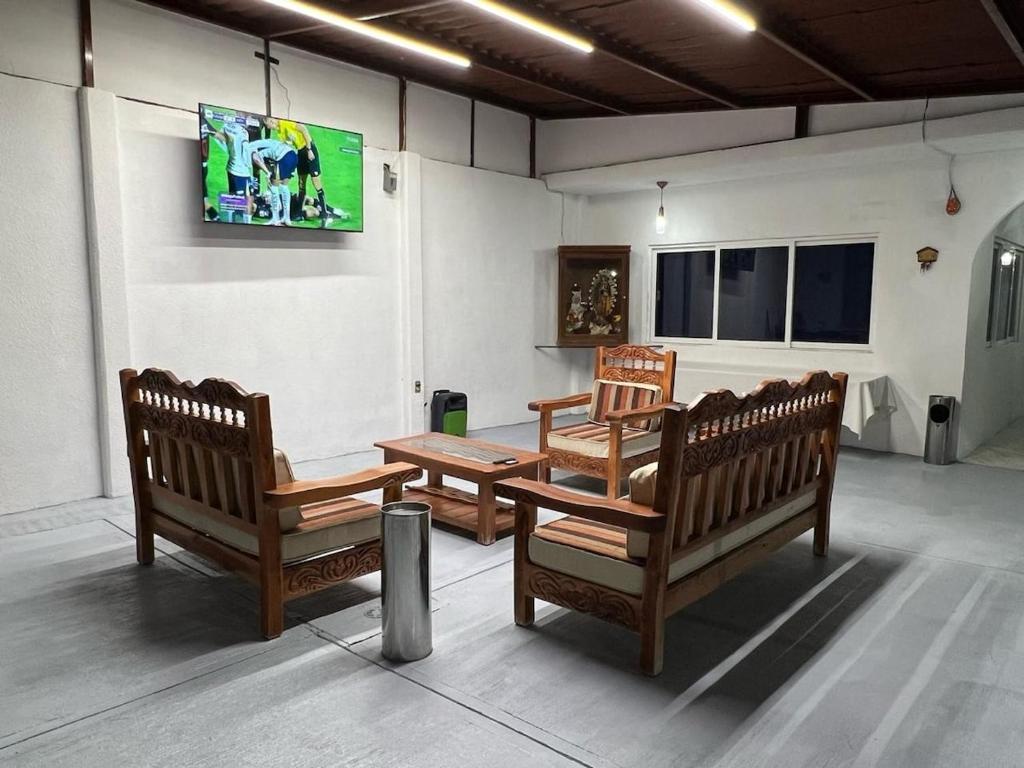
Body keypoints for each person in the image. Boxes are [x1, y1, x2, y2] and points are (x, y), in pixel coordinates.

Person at [265, 116, 331, 228]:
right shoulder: (280, 131)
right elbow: (287, 145)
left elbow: (304, 129)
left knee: (316, 183)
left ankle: (325, 214)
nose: (269, 128)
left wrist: (309, 150)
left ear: (271, 121)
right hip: (300, 153)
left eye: (268, 125)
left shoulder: (286, 123)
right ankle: (299, 213)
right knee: (301, 184)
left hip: (308, 149)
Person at [247, 138, 298, 226]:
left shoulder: (249, 149)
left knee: (273, 187)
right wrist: (269, 174)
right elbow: (270, 162)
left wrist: (267, 173)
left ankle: (275, 219)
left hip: (283, 157)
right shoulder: (260, 144)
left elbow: (256, 159)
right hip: (292, 155)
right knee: (283, 186)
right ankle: (286, 218)